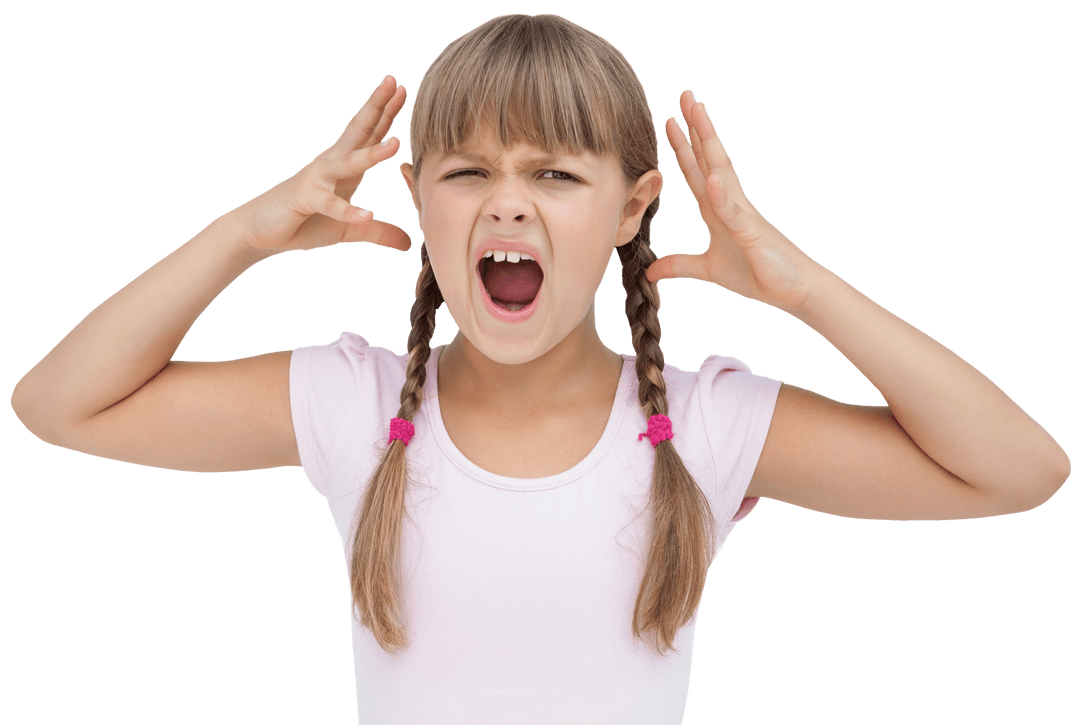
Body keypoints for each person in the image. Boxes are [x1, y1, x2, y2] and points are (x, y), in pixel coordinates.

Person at [9, 12, 1070, 724]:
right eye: (468, 171)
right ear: (420, 198)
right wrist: (246, 232)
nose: (507, 202)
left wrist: (802, 288)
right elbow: (59, 403)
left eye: (556, 173)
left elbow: (1017, 470)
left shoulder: (706, 425)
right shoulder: (357, 402)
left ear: (631, 209)